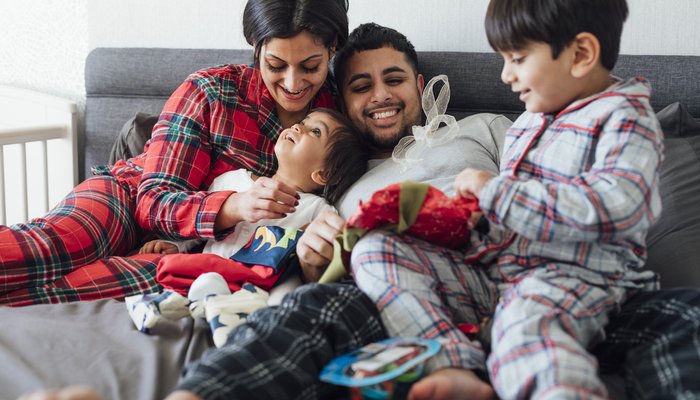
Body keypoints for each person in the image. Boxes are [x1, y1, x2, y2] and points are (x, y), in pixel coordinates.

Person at [18, 22, 700, 400]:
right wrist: (317, 247)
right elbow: (297, 245)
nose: (379, 95)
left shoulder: (497, 127)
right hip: (405, 280)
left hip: (530, 267)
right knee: (324, 294)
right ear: (339, 106)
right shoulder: (345, 176)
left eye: (394, 79)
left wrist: (482, 196)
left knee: (680, 316)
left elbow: (603, 199)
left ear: (423, 86)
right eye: (360, 86)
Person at [351, 0, 666, 399]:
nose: (505, 75)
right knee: (375, 251)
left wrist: (497, 193)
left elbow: (618, 207)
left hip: (570, 277)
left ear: (581, 54)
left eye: (517, 59)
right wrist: (464, 216)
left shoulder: (624, 119)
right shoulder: (530, 119)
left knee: (526, 325)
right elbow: (503, 214)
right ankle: (453, 365)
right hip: (496, 273)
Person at [0, 0, 349, 306]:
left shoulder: (339, 119)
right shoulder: (211, 91)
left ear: (332, 49)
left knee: (69, 290)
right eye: (275, 66)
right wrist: (233, 206)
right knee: (57, 247)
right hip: (128, 196)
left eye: (310, 66)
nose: (292, 83)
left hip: (190, 250)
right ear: (256, 48)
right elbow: (152, 202)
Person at [125, 108, 368, 345]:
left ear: (324, 175)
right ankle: (181, 305)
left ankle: (224, 318)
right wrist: (174, 247)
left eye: (315, 132)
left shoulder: (318, 210)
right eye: (304, 121)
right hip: (204, 274)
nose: (298, 126)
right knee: (188, 276)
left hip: (256, 294)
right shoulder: (232, 181)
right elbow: (198, 232)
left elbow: (320, 268)